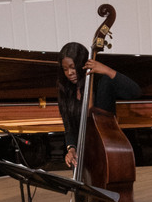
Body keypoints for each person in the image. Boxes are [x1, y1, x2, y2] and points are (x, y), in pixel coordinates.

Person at [57, 41, 140, 172]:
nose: (70, 73)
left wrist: (107, 70)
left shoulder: (103, 83)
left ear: (82, 64)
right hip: (82, 156)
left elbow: (135, 92)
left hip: (108, 153)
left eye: (73, 67)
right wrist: (71, 148)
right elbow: (69, 128)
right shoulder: (67, 92)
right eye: (65, 69)